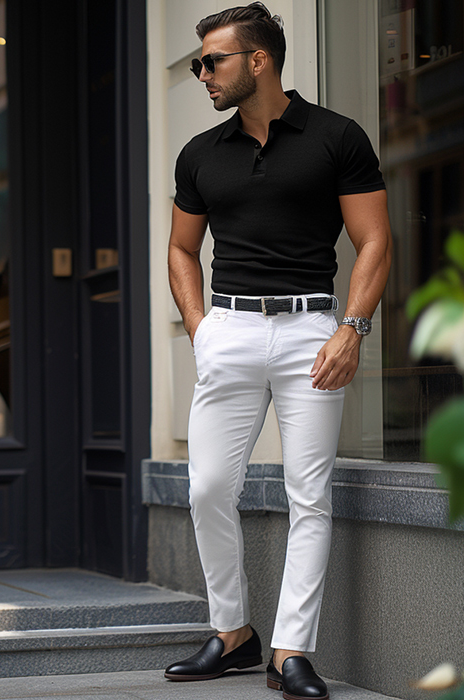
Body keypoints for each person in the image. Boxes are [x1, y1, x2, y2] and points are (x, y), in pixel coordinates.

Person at [164, 4, 392, 699]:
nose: (202, 73)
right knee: (207, 488)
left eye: (213, 61)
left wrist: (351, 329)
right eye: (199, 62)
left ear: (258, 60)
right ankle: (232, 634)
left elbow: (375, 241)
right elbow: (180, 249)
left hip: (310, 333)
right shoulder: (201, 152)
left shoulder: (336, 137)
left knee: (308, 495)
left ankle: (290, 651)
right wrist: (201, 328)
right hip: (228, 331)